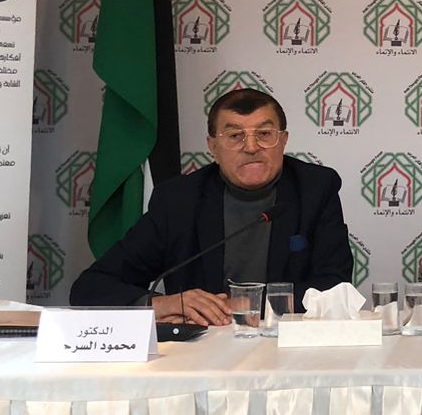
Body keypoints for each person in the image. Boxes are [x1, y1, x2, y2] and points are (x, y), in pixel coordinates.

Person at [70, 87, 354, 323]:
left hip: (286, 345)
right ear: (213, 148)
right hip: (202, 350)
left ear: (283, 141)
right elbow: (91, 287)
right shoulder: (179, 200)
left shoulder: (315, 189)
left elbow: (335, 286)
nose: (251, 147)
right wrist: (162, 304)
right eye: (235, 136)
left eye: (264, 134)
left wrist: (242, 305)